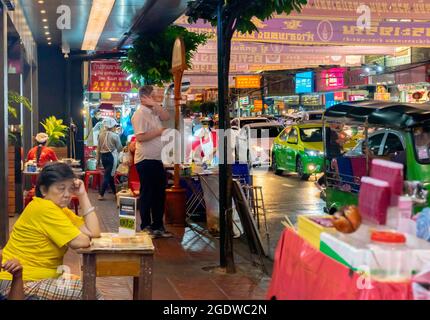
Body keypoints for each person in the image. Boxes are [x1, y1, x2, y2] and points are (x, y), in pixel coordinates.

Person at [0, 162, 102, 300]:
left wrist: (82, 194)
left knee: (86, 287)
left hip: (36, 278)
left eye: (70, 189)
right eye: (61, 189)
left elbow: (94, 231)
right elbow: (81, 242)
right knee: (88, 291)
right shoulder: (44, 209)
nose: (67, 195)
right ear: (43, 190)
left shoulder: (60, 210)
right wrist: (83, 236)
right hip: (17, 282)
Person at [131, 85, 172, 238]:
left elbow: (167, 117)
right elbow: (140, 137)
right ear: (144, 97)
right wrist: (159, 132)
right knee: (147, 193)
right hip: (145, 159)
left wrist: (155, 105)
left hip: (156, 158)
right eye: (153, 96)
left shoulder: (153, 111)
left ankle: (158, 226)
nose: (156, 98)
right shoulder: (139, 114)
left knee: (159, 193)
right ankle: (146, 226)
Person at [97, 118, 123, 201]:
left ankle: (115, 193)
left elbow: (98, 149)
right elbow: (119, 148)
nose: (115, 127)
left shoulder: (100, 135)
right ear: (112, 126)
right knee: (107, 175)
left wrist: (97, 160)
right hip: (111, 157)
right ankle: (101, 194)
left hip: (103, 157)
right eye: (115, 126)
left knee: (110, 176)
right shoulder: (115, 136)